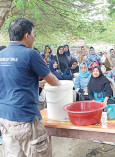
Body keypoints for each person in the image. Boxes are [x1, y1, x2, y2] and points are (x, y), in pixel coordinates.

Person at [0, 18, 60, 157]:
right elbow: (53, 81)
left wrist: (36, 84)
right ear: (26, 35)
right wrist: (64, 85)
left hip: (4, 118)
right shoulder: (30, 54)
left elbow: (11, 81)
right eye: (34, 34)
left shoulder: (1, 55)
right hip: (25, 119)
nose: (34, 38)